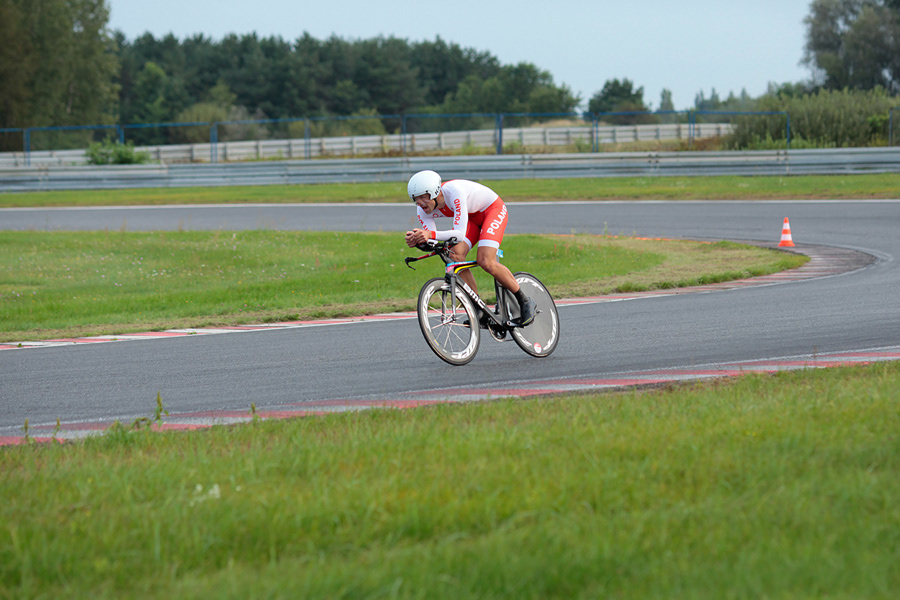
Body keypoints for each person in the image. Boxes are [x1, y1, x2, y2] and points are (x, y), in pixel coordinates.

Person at [404, 169, 535, 326]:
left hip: (492, 210)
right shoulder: (422, 210)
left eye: (423, 198)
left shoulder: (454, 192)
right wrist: (419, 242)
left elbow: (458, 233)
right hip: (471, 218)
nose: (420, 203)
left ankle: (525, 300)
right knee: (454, 256)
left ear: (435, 192)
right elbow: (433, 240)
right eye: (415, 199)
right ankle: (478, 308)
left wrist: (429, 234)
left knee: (485, 260)